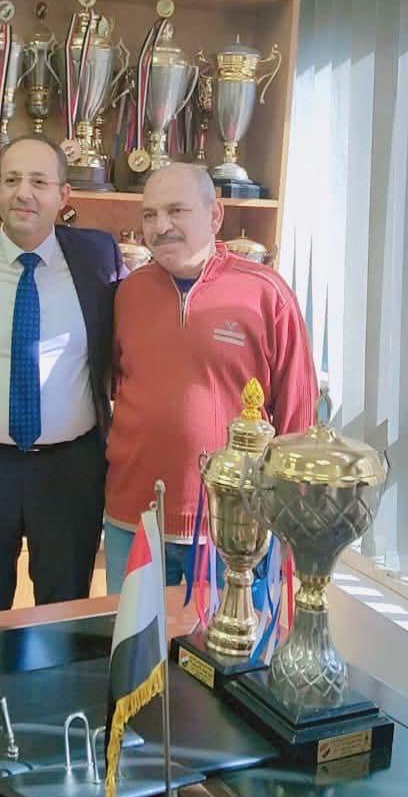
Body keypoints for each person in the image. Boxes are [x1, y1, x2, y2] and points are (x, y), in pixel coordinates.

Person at [103, 162, 318, 593]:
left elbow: (298, 414)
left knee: (231, 639)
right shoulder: (128, 292)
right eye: (150, 214)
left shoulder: (266, 293)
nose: (160, 226)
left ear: (214, 215)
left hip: (235, 527)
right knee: (130, 640)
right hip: (134, 521)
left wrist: (292, 518)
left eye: (177, 211)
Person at [0, 133, 124, 615]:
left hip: (71, 469)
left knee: (63, 614)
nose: (24, 193)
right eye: (12, 179)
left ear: (64, 195)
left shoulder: (99, 257)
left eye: (39, 182)